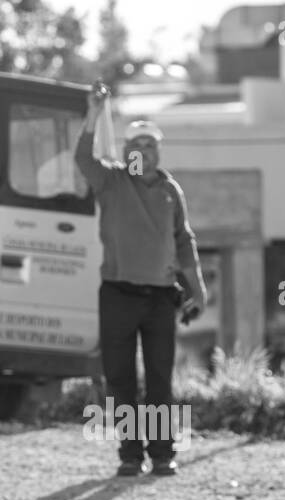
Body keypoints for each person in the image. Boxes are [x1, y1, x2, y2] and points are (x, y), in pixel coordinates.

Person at [75, 87, 207, 476]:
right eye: (137, 144)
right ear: (127, 150)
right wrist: (94, 113)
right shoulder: (111, 183)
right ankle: (131, 455)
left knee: (160, 381)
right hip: (118, 293)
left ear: (158, 153)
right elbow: (83, 157)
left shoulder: (170, 191)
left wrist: (197, 290)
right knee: (120, 379)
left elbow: (184, 241)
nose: (144, 151)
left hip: (160, 298)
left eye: (150, 145)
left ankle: (163, 454)